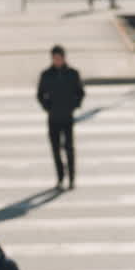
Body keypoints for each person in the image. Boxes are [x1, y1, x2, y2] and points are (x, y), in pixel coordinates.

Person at [36, 45, 85, 190]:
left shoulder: (72, 74)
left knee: (69, 148)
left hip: (67, 117)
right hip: (53, 118)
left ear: (64, 58)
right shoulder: (46, 75)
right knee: (56, 150)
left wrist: (73, 106)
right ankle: (60, 178)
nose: (57, 60)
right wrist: (47, 107)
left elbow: (80, 93)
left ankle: (71, 178)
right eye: (55, 58)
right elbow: (40, 94)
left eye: (59, 58)